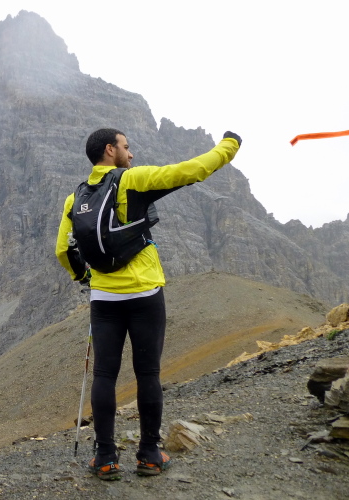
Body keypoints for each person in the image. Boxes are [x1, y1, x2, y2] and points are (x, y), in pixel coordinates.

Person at [55, 128, 241, 480]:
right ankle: (150, 455)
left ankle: (105, 458)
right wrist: (229, 146)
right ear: (110, 150)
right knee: (148, 373)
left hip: (104, 298)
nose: (131, 154)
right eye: (126, 147)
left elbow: (63, 250)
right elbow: (190, 171)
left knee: (104, 375)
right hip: (144, 294)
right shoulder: (132, 180)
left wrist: (84, 277)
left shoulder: (74, 199)